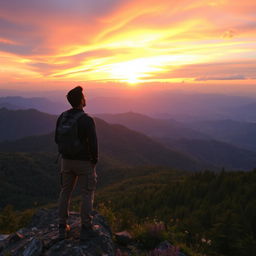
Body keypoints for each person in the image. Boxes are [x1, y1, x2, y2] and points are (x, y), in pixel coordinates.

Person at [54, 86, 98, 241]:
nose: (85, 98)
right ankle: (86, 226)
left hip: (65, 161)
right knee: (87, 192)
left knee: (65, 191)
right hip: (83, 163)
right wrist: (94, 162)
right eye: (84, 97)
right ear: (81, 100)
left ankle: (61, 225)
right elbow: (93, 144)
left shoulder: (62, 116)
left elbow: (56, 139)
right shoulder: (87, 120)